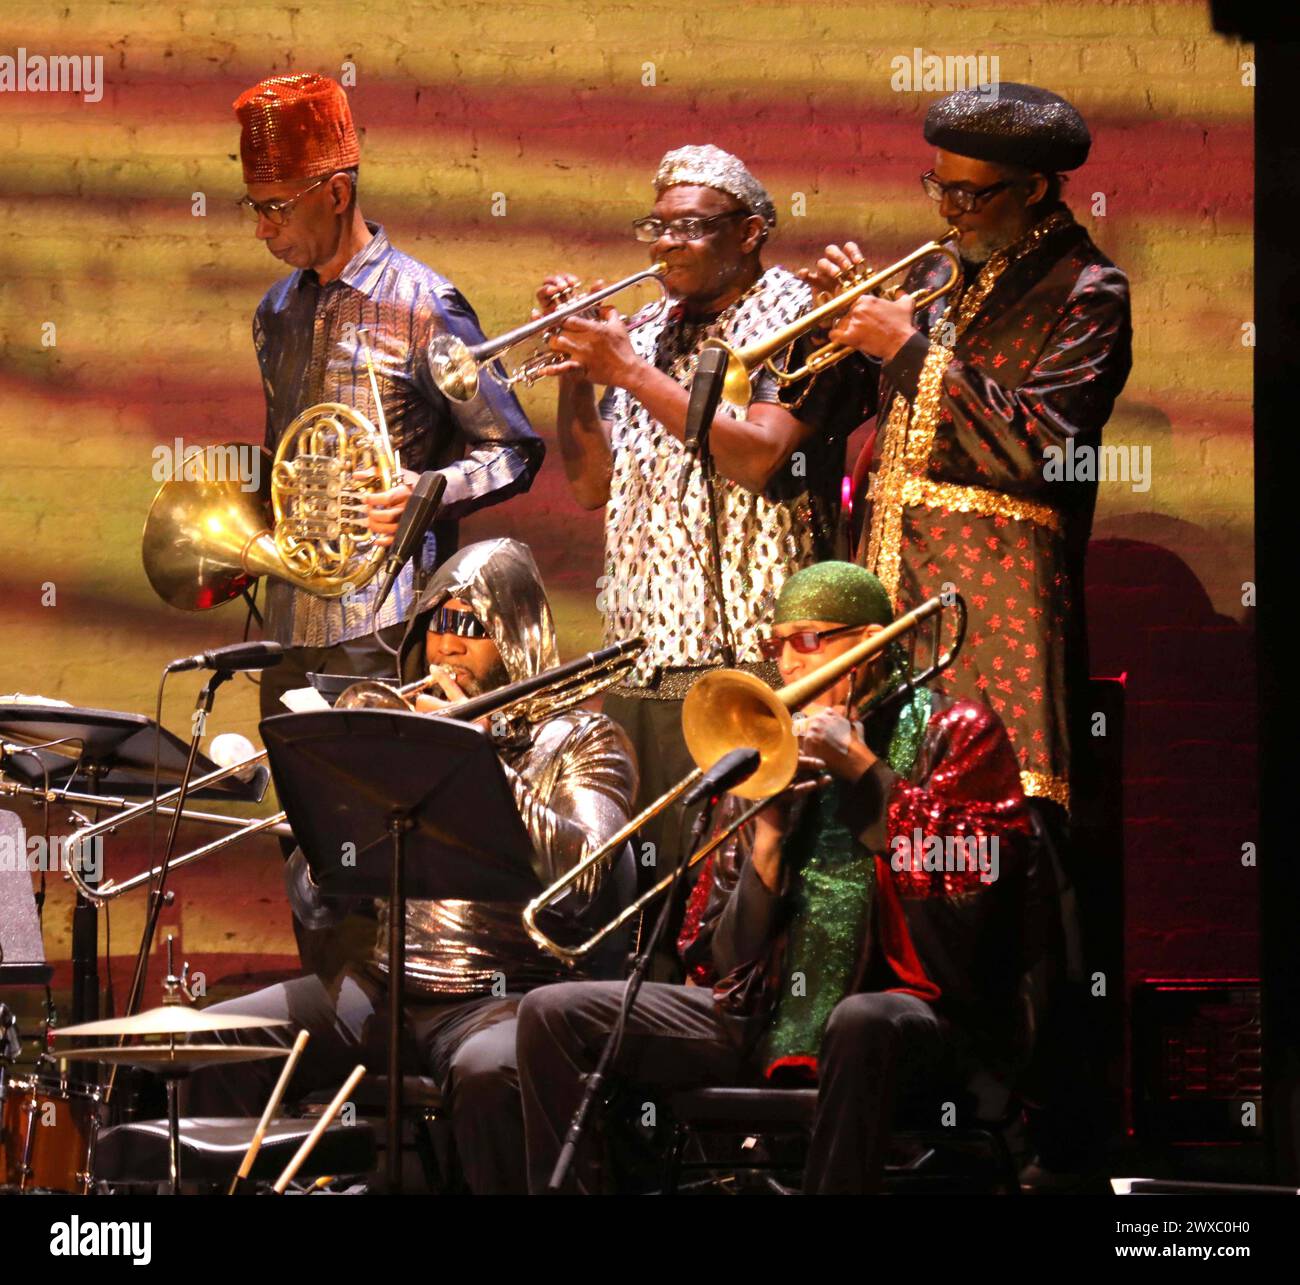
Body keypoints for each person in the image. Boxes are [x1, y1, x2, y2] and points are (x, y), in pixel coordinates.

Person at [516, 561, 1046, 1194]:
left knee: (859, 1021)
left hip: (924, 1015)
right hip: (765, 1012)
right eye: (775, 645)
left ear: (872, 642)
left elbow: (979, 888)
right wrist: (766, 842)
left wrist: (869, 774)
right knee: (551, 1012)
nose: (788, 664)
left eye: (808, 639)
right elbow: (720, 960)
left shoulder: (954, 731)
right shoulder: (767, 749)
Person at [185, 539, 638, 1195]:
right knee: (219, 1039)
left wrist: (480, 758)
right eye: (437, 623)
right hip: (381, 989)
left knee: (493, 1075)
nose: (447, 647)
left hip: (504, 999)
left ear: (516, 634)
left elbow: (585, 879)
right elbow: (318, 906)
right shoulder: (399, 727)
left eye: (470, 626)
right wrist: (326, 819)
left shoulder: (582, 739)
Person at [536, 144, 861, 948]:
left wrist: (628, 370)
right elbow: (590, 486)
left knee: (738, 907)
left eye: (690, 227)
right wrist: (580, 368)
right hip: (640, 657)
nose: (664, 245)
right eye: (657, 226)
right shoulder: (641, 326)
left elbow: (757, 454)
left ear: (750, 231)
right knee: (640, 908)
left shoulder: (804, 317)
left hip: (748, 656)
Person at [232, 73, 543, 724]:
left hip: (385, 625)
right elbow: (284, 456)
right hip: (288, 625)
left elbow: (513, 447)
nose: (263, 229)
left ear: (337, 193)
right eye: (254, 206)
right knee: (300, 819)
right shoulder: (276, 311)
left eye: (276, 207)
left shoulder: (424, 306)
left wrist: (427, 492)